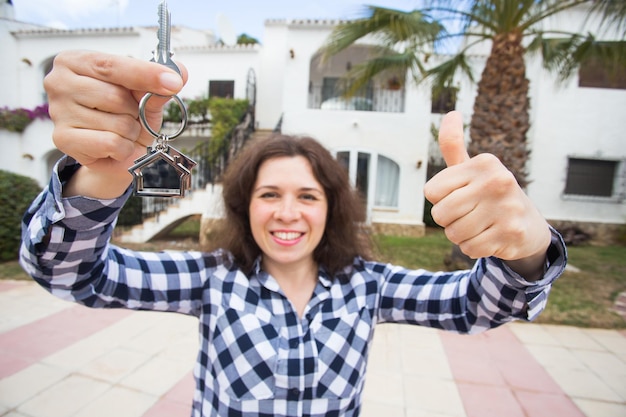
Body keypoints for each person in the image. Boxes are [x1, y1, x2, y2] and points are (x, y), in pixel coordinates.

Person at [20, 50, 566, 417]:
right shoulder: (210, 278)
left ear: (331, 208)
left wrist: (527, 250)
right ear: (243, 206)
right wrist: (106, 168)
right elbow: (71, 274)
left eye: (307, 196)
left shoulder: (367, 286)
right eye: (269, 195)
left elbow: (476, 306)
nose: (287, 213)